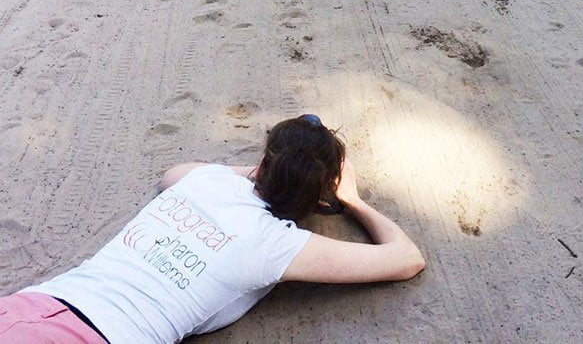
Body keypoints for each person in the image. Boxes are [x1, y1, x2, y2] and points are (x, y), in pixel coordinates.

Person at [0, 115, 425, 344]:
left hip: (31, 307)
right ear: (318, 197)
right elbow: (406, 258)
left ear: (262, 165)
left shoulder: (206, 181)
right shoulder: (278, 244)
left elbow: (172, 173)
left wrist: (257, 172)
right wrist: (352, 199)